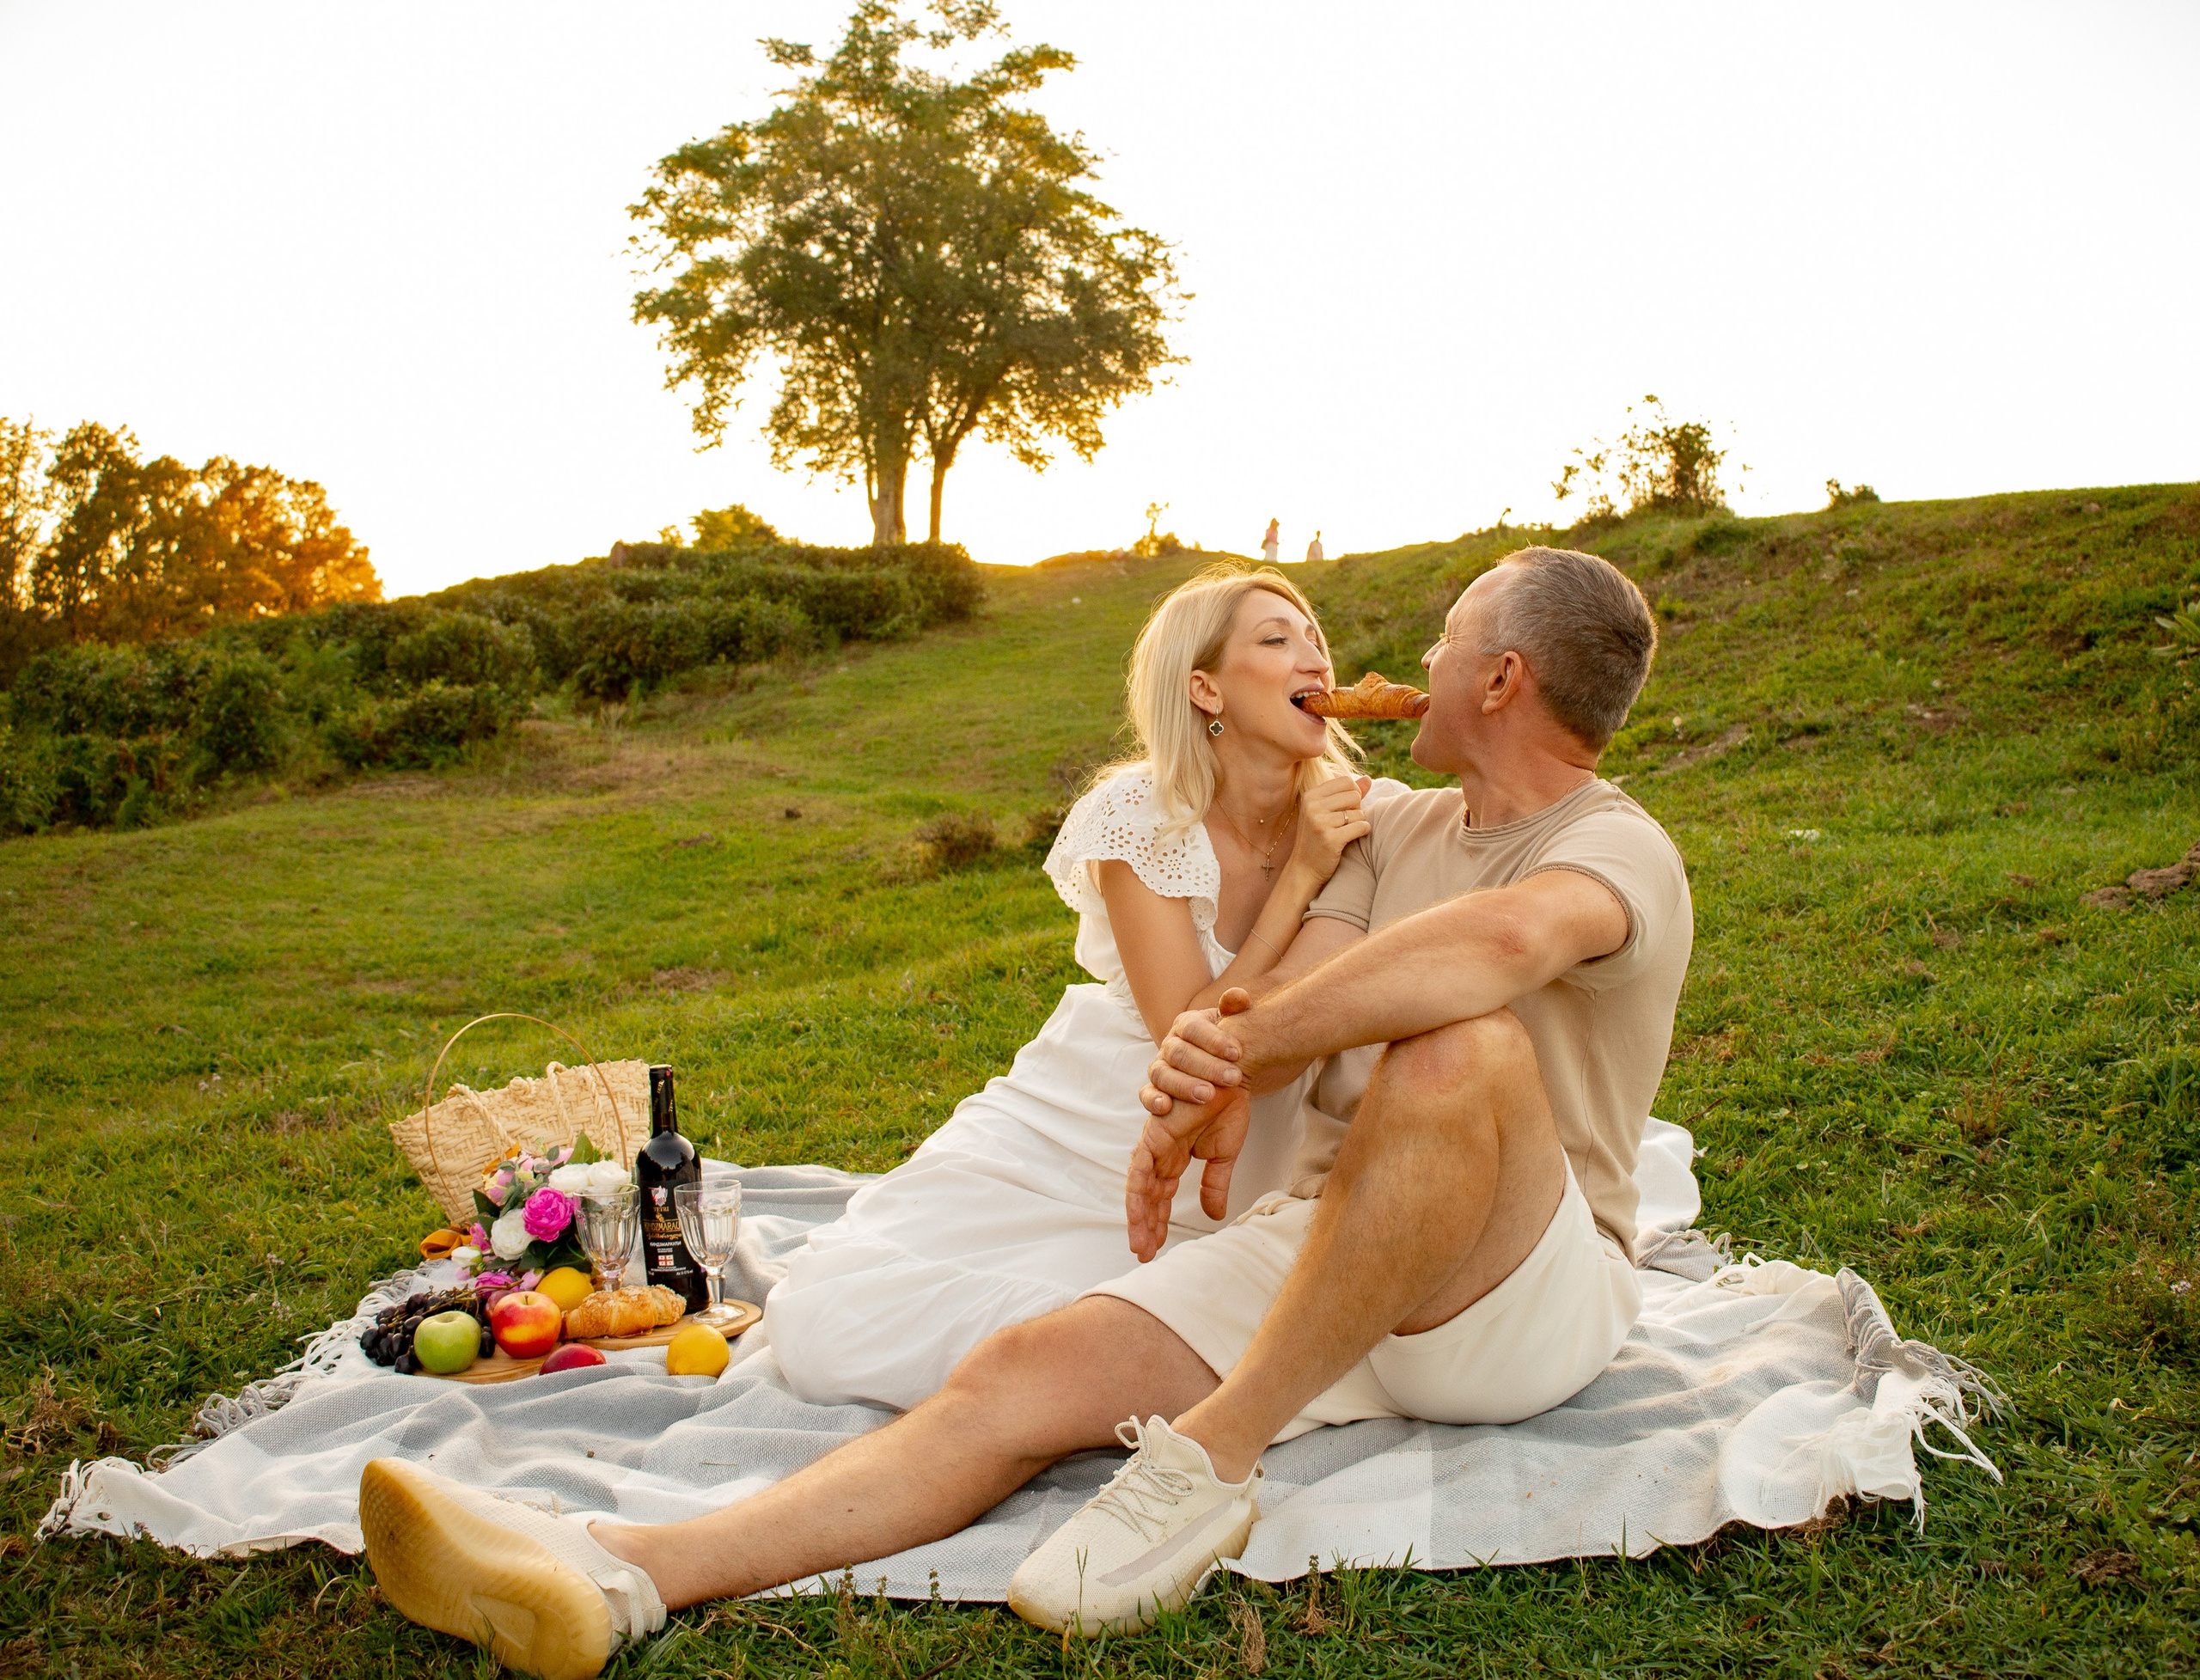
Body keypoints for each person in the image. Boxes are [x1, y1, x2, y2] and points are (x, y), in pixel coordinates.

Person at [360, 546, 1690, 1680]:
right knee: (1019, 1372)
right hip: (1338, 1252)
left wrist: (1252, 1042)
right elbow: (1275, 1002)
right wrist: (1200, 1095)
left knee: (1460, 1048)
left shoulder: (1613, 843)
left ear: (1502, 678)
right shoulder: (1394, 830)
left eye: (1452, 635)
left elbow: (1502, 942)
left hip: (1519, 1288)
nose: (1416, 651)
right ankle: (619, 1574)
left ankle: (1206, 1463)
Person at [758, 565, 1390, 1409]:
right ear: (1205, 687)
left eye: (1316, 638)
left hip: (1257, 1141)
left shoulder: (1362, 814)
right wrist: (1302, 871)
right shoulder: (1138, 813)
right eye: (1276, 639)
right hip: (1094, 1124)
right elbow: (1192, 1036)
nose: (1315, 659)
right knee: (835, 1320)